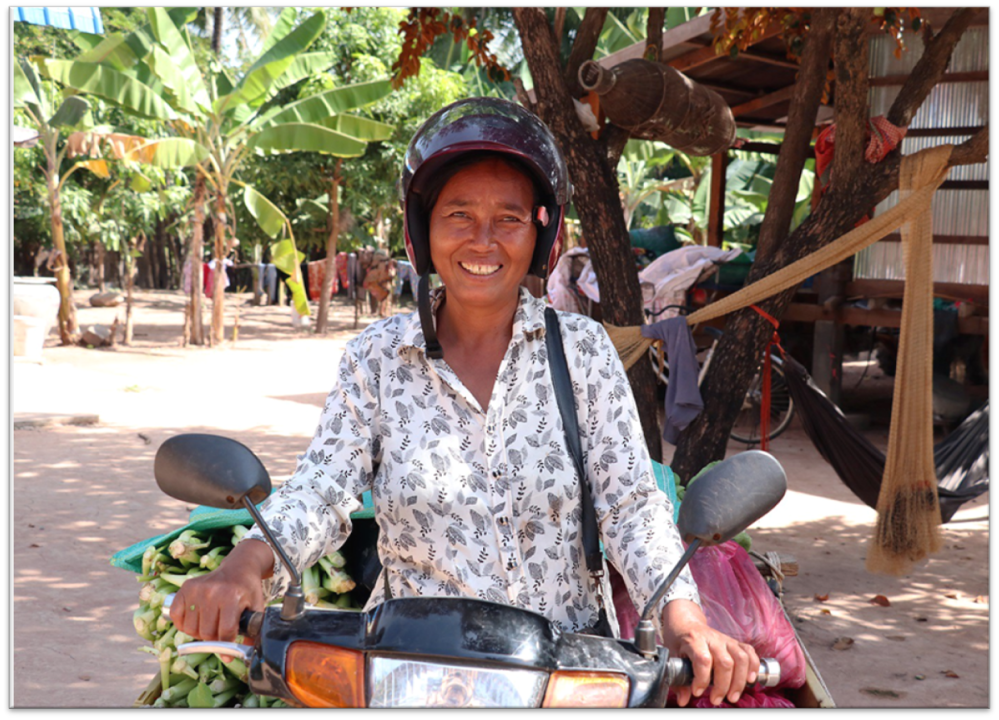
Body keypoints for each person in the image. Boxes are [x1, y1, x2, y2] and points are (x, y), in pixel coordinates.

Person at [171, 98, 759, 707]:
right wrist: (247, 563)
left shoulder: (582, 350)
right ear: (422, 229)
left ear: (542, 234)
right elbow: (322, 489)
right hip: (408, 670)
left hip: (569, 678)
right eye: (458, 214)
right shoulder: (377, 357)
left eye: (509, 218)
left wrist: (683, 617)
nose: (483, 240)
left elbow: (632, 506)